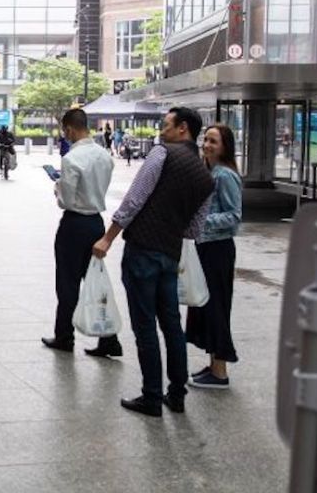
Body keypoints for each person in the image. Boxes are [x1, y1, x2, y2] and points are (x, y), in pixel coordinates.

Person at [93, 107, 214, 417]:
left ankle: (151, 396)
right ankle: (176, 394)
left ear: (183, 128)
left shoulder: (162, 155)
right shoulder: (205, 176)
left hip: (143, 250)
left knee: (145, 325)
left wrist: (109, 237)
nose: (162, 130)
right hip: (170, 254)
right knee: (172, 325)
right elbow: (194, 229)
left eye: (166, 124)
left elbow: (135, 198)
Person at [42, 108, 122, 356]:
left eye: (64, 131)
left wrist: (57, 187)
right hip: (96, 224)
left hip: (74, 225)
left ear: (69, 129)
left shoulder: (71, 159)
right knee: (96, 281)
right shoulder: (104, 155)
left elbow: (65, 200)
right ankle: (109, 338)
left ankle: (65, 336)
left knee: (67, 282)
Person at [186, 124, 242, 389]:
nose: (207, 145)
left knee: (217, 308)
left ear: (225, 147)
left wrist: (201, 220)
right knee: (207, 308)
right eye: (206, 139)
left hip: (218, 250)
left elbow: (234, 216)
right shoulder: (209, 172)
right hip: (205, 247)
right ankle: (213, 365)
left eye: (213, 141)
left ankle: (220, 372)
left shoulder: (225, 175)